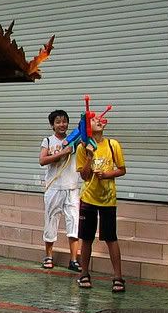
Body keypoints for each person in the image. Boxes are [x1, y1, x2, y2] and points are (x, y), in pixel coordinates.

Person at [75, 113, 127, 292]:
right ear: (87, 128)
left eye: (99, 119)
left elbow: (122, 170)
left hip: (108, 199)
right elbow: (84, 175)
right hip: (88, 198)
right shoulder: (82, 148)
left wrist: (106, 175)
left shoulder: (113, 145)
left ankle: (118, 277)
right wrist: (89, 156)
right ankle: (84, 273)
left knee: (111, 238)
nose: (99, 120)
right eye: (93, 120)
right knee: (86, 238)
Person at [39, 110, 81, 271]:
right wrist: (62, 153)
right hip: (54, 188)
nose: (62, 124)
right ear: (52, 125)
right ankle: (48, 257)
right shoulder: (48, 141)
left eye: (64, 121)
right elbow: (42, 160)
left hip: (72, 189)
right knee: (51, 221)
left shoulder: (74, 141)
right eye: (58, 122)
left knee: (74, 223)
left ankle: (73, 259)